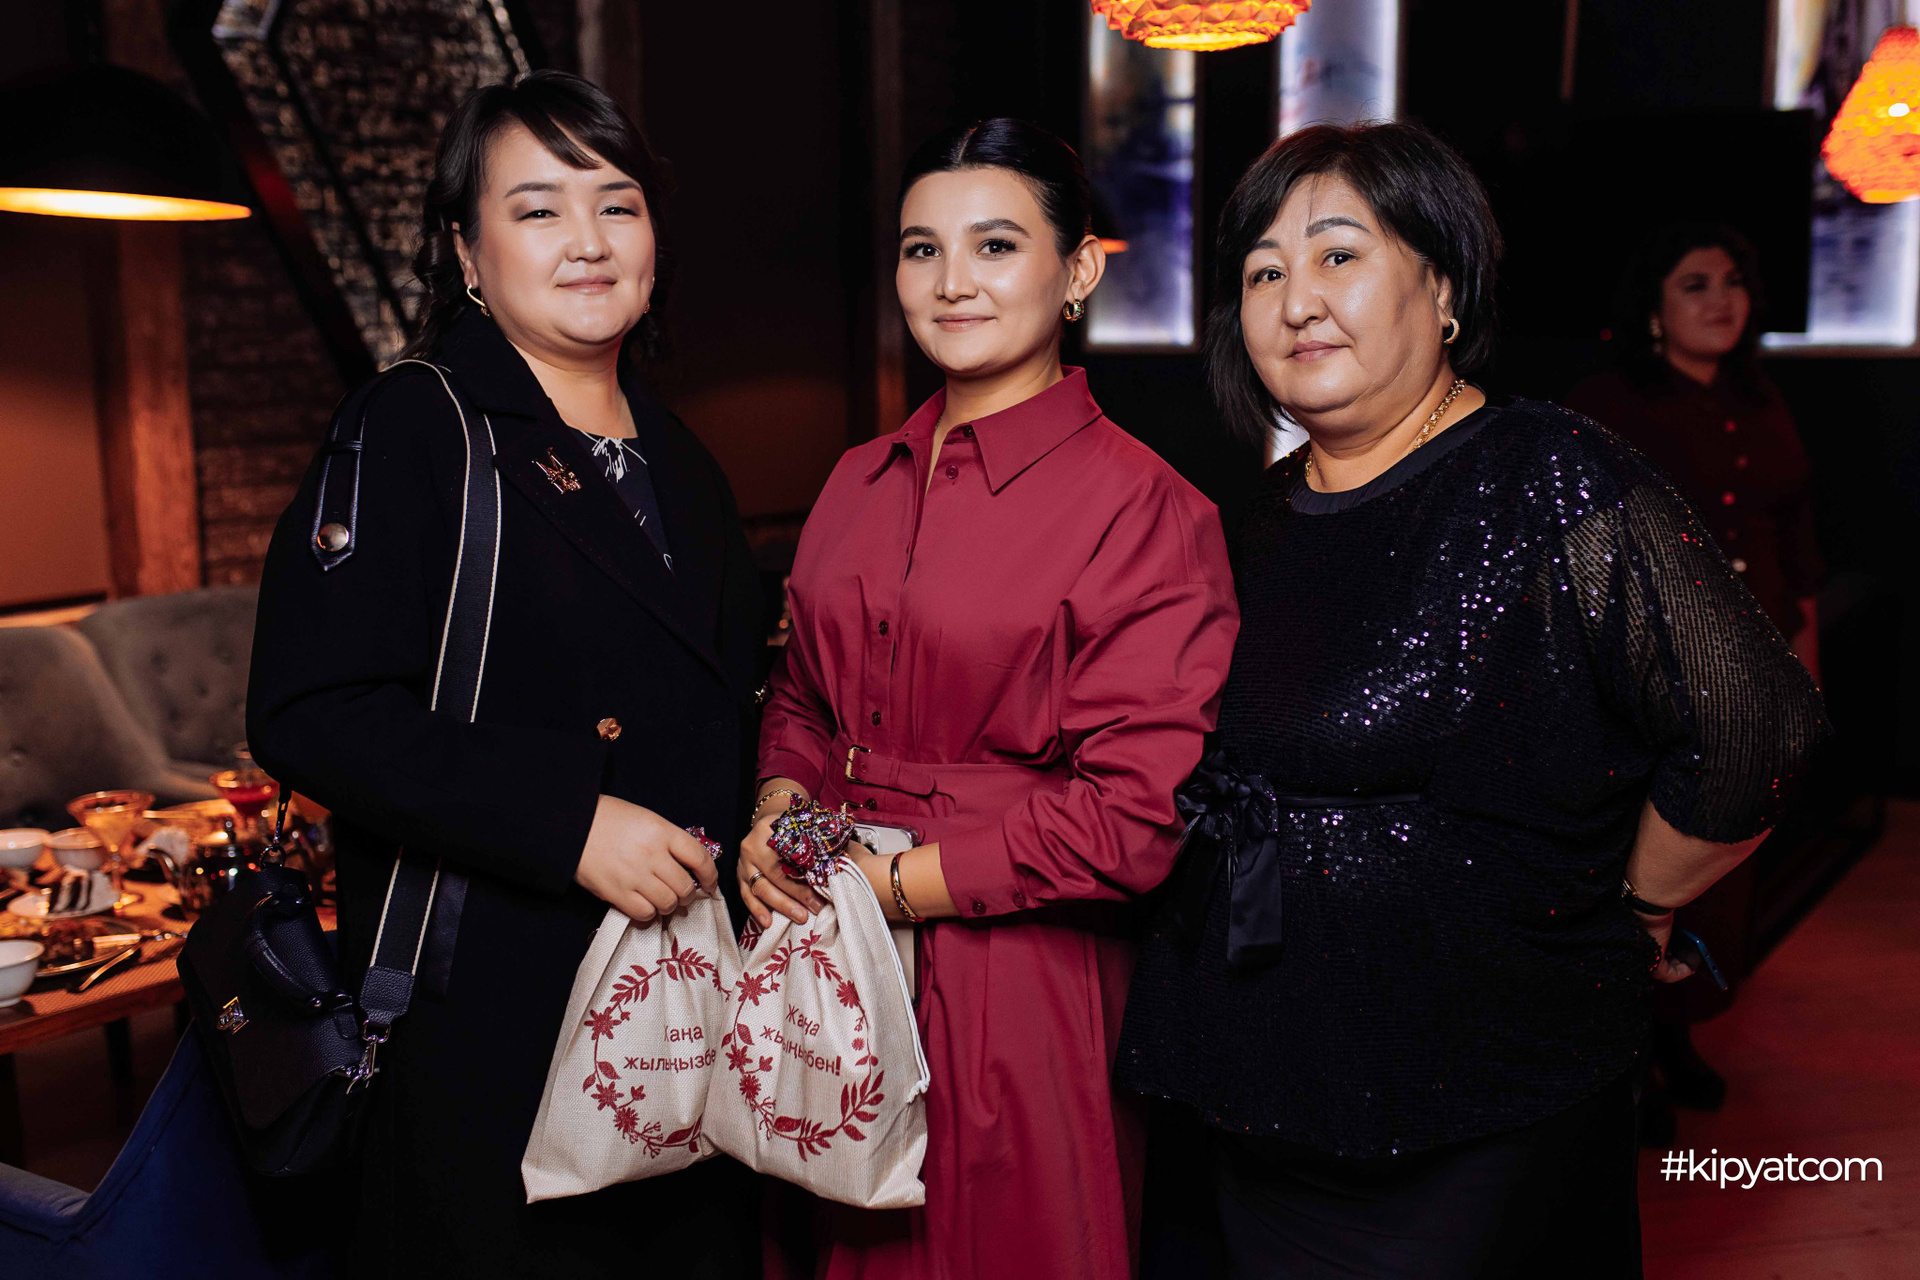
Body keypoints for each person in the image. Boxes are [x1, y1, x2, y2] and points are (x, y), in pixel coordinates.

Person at [1117, 122, 1830, 1279]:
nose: (1296, 301)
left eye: (1338, 254)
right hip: (1243, 1077)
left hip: (1476, 1103)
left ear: (1442, 288)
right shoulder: (1251, 520)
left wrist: (1640, 902)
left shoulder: (1546, 474)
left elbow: (1759, 727)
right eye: (1262, 272)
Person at [247, 72, 763, 1278]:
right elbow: (310, 711)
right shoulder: (413, 426)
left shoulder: (681, 455)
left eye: (617, 204)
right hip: (491, 1020)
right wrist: (567, 818)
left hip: (684, 1009)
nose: (588, 240)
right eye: (537, 209)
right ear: (467, 252)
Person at [738, 118, 1239, 1280]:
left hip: (1017, 980)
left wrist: (888, 887)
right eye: (923, 249)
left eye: (996, 245)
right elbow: (803, 694)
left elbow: (1134, 815)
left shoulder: (1147, 509)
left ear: (1079, 270)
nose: (952, 280)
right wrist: (776, 811)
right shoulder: (854, 479)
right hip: (827, 957)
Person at [1566, 225, 1826, 1133]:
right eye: (1696, 284)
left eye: (1734, 281)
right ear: (1652, 308)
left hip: (1757, 681)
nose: (1722, 299)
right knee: (1642, 870)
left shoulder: (1761, 397)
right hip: (1656, 682)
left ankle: (1676, 1036)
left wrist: (1806, 675)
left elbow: (1796, 547)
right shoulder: (1608, 404)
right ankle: (1623, 1060)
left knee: (1722, 875)